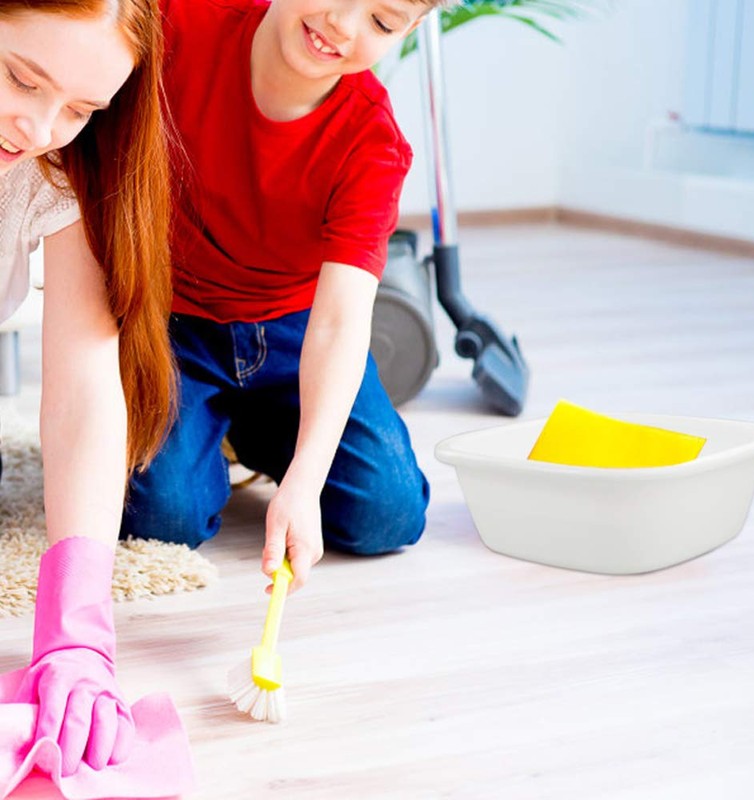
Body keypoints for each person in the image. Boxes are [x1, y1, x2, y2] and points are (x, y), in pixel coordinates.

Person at [122, 0, 447, 591]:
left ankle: (250, 431)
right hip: (175, 323)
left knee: (388, 515)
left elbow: (340, 322)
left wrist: (304, 481)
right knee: (164, 520)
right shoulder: (180, 23)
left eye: (381, 22)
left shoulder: (373, 142)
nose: (342, 25)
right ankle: (213, 430)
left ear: (411, 27)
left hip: (300, 333)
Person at [0, 0, 175, 777]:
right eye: (19, 78)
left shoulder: (49, 171)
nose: (40, 128)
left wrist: (77, 631)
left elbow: (83, 391)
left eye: (80, 109)